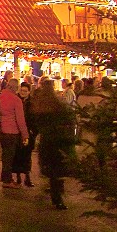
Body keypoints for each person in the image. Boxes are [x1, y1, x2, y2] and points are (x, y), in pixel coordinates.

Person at [32, 78, 77, 210]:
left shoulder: (40, 104)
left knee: (52, 169)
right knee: (57, 169)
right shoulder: (57, 104)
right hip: (57, 140)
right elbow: (67, 116)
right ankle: (57, 195)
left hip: (47, 141)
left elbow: (37, 123)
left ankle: (55, 193)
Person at [0, 76, 29, 188]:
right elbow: (20, 120)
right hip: (12, 131)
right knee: (9, 157)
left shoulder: (0, 96)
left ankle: (5, 178)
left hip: (1, 130)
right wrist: (25, 135)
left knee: (5, 156)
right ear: (16, 88)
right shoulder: (16, 100)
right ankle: (7, 180)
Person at [12, 80, 36, 187]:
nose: (23, 92)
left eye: (25, 91)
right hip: (17, 132)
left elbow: (34, 117)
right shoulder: (16, 100)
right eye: (22, 90)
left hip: (29, 132)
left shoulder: (32, 103)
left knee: (27, 155)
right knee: (17, 155)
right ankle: (18, 177)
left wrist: (33, 130)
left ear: (29, 92)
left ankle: (27, 177)